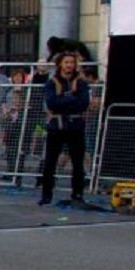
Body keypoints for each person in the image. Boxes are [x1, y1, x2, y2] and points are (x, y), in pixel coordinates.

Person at [39, 51, 92, 206]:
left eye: (72, 63)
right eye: (66, 62)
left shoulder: (81, 83)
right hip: (57, 126)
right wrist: (69, 100)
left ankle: (77, 193)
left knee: (77, 161)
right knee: (50, 161)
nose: (69, 65)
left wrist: (64, 101)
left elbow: (83, 103)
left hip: (75, 126)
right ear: (60, 64)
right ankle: (46, 194)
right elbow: (52, 103)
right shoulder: (52, 82)